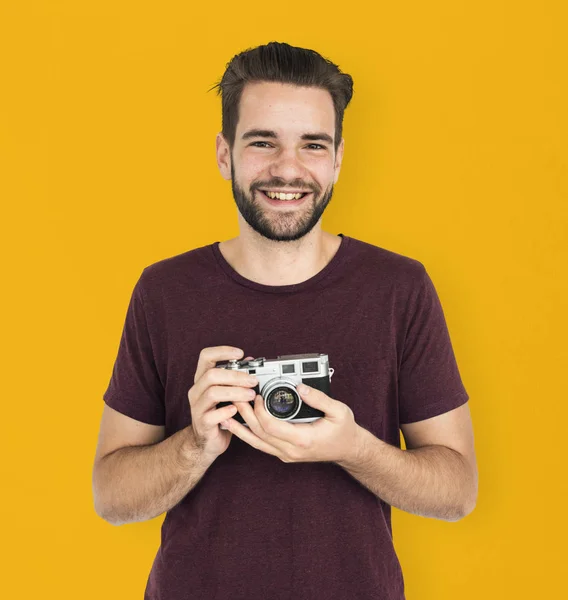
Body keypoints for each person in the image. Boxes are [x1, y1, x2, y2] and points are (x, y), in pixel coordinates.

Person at [92, 41, 477, 600]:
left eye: (312, 145)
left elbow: (458, 491)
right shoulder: (165, 290)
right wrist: (196, 444)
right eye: (262, 142)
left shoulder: (399, 289)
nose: (288, 169)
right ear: (225, 154)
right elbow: (110, 496)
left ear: (339, 158)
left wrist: (353, 448)